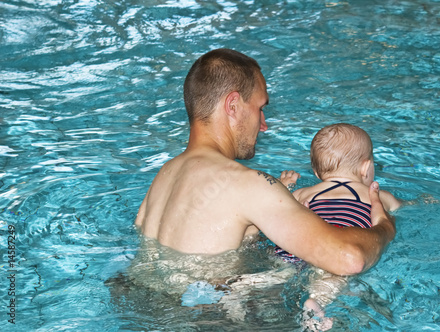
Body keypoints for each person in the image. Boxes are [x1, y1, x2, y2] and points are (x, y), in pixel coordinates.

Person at [134, 48, 396, 278]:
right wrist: (384, 226)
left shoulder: (164, 176)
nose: (264, 125)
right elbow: (349, 259)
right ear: (233, 105)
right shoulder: (246, 184)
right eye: (260, 108)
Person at [276, 123, 401, 323]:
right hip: (342, 245)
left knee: (283, 267)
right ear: (366, 168)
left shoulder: (303, 193)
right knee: (333, 275)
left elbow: (279, 206)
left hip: (298, 243)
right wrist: (423, 201)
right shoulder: (377, 196)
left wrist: (285, 186)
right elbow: (404, 207)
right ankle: (317, 300)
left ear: (316, 172)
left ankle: (252, 281)